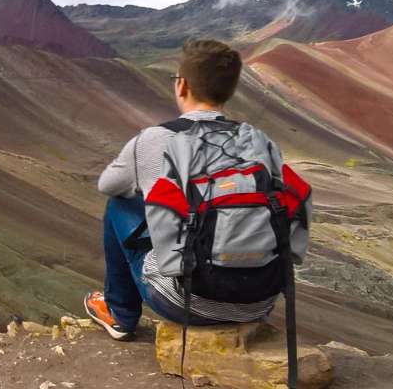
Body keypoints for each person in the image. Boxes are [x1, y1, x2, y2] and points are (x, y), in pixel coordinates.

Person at [84, 39, 311, 341]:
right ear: (229, 91)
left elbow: (107, 184)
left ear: (181, 86)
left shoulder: (153, 139)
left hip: (187, 302)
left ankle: (120, 314)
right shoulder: (259, 142)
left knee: (118, 204)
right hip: (260, 301)